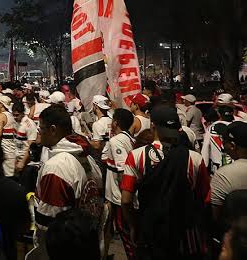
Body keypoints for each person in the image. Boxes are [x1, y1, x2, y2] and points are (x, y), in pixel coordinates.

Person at [121, 106, 210, 260]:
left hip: (151, 233)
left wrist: (133, 225)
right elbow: (205, 198)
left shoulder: (136, 156)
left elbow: (126, 199)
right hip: (185, 235)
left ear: (153, 125)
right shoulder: (195, 159)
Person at [34, 105, 89, 255]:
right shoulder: (82, 152)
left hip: (63, 248)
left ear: (53, 130)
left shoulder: (57, 168)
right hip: (83, 240)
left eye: (41, 128)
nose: (38, 132)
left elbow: (49, 223)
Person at [101, 108, 136, 259]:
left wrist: (125, 198)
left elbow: (123, 172)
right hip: (118, 196)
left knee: (126, 234)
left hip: (119, 197)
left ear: (115, 122)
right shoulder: (128, 138)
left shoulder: (116, 141)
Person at [211, 122, 247, 220]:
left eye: (224, 141)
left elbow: (214, 215)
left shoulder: (223, 175)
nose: (223, 146)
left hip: (235, 233)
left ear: (232, 145)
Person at [203, 105, 235, 175]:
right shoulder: (237, 127)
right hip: (234, 170)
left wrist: (204, 169)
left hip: (216, 171)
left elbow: (205, 150)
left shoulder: (211, 128)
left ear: (219, 115)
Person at [12, 101, 38, 171]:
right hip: (17, 157)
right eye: (13, 115)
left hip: (27, 161)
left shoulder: (29, 124)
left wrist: (23, 162)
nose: (15, 117)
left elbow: (31, 145)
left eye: (17, 115)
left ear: (22, 113)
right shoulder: (15, 122)